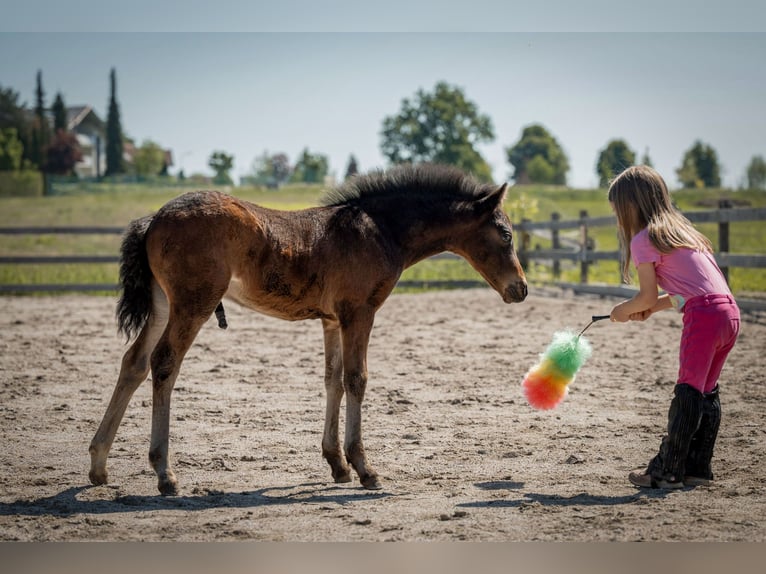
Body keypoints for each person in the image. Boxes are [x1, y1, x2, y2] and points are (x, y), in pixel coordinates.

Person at [607, 165, 740, 489]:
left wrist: (623, 310)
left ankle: (666, 470)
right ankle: (698, 467)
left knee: (688, 391)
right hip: (729, 314)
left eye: (616, 210)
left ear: (629, 206)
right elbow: (690, 289)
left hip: (704, 317)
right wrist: (652, 309)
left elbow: (647, 294)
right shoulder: (682, 234)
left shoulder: (643, 239)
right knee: (706, 391)